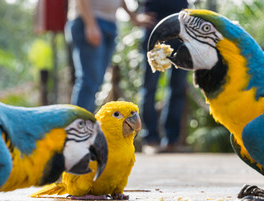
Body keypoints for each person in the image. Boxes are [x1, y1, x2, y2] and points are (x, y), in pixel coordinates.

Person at [65, 0, 152, 113]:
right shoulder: (89, 22)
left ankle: (87, 125)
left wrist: (133, 18)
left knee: (96, 82)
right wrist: (90, 24)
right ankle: (78, 127)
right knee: (89, 81)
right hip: (89, 20)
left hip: (110, 23)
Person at [139, 0, 189, 154]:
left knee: (178, 87)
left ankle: (171, 140)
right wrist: (136, 16)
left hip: (181, 26)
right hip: (153, 24)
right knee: (150, 86)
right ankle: (151, 139)